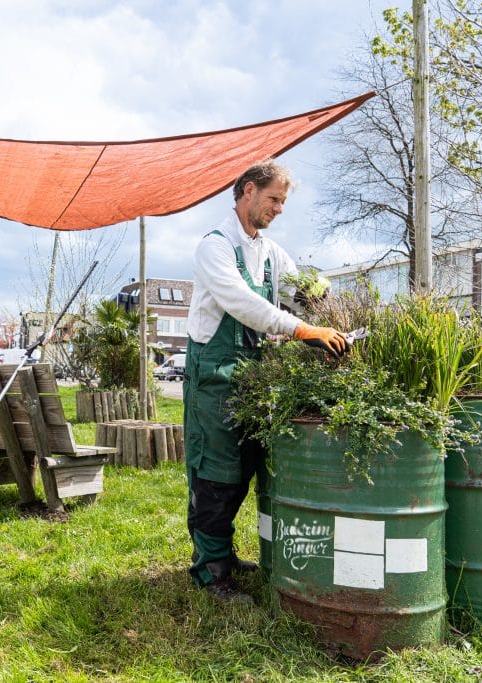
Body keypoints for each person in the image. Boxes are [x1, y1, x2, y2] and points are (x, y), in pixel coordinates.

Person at [184, 158, 347, 602]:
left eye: (282, 202)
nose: (278, 209)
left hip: (254, 374)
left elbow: (298, 288)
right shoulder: (214, 246)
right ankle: (209, 569)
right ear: (248, 191)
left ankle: (225, 555)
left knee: (248, 465)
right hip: (214, 375)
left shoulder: (270, 252)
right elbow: (240, 302)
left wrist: (322, 298)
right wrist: (300, 330)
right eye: (274, 199)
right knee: (216, 472)